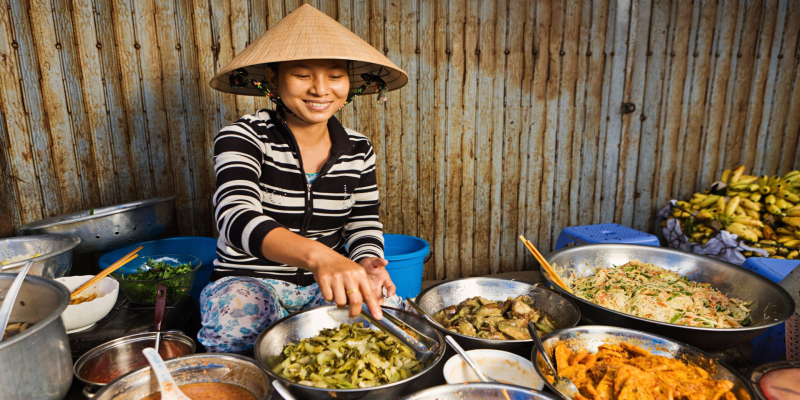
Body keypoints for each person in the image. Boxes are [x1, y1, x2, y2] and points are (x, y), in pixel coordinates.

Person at [200, 4, 409, 353]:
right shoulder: (243, 136)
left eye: (335, 75)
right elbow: (235, 217)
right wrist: (320, 257)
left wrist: (366, 260)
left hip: (321, 286)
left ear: (349, 82)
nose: (320, 89)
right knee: (242, 324)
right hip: (248, 281)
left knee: (386, 326)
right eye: (302, 75)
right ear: (272, 79)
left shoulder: (358, 148)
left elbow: (363, 220)